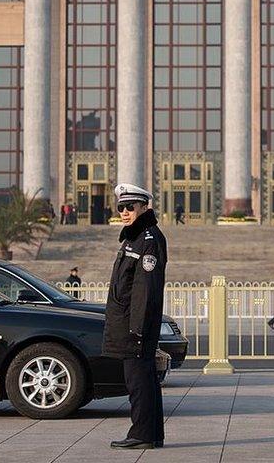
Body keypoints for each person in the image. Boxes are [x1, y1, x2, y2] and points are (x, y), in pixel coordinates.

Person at [102, 183, 168, 450]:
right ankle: (152, 433)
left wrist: (138, 329)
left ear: (144, 207)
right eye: (121, 207)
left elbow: (145, 289)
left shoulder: (149, 239)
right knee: (144, 379)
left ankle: (141, 433)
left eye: (131, 207)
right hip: (128, 323)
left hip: (135, 327)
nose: (125, 212)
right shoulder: (134, 237)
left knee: (138, 381)